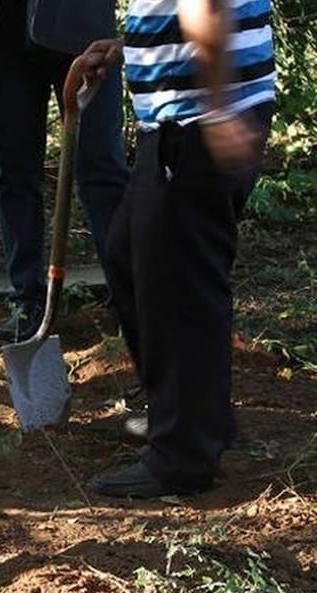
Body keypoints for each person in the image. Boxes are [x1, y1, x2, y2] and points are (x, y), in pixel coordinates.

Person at [86, 0, 275, 497]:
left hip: (196, 122)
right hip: (188, 120)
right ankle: (190, 417)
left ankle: (183, 457)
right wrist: (132, 47)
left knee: (179, 289)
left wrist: (214, 106)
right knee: (129, 254)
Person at [0, 0, 130, 341]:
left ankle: (130, 300)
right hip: (4, 33)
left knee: (102, 169)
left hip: (86, 33)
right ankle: (28, 303)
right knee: (13, 175)